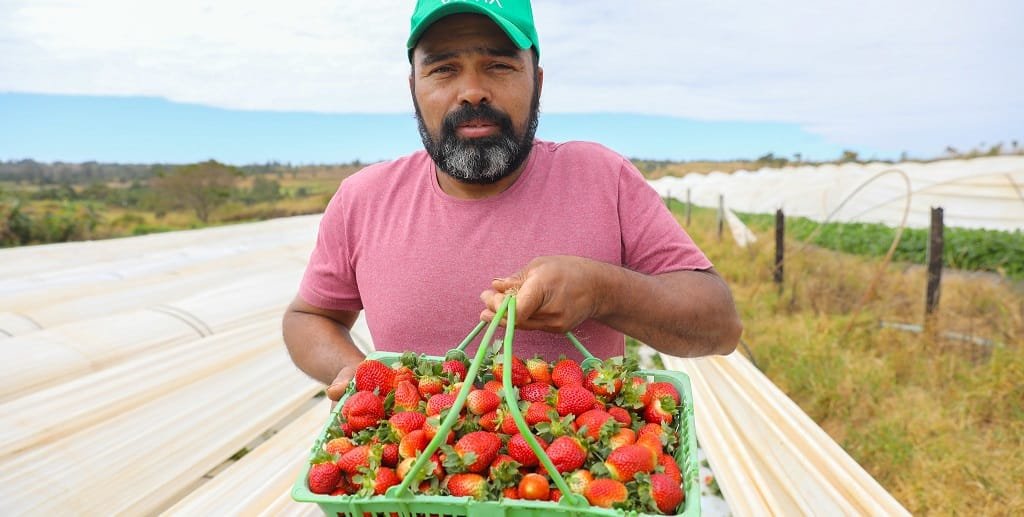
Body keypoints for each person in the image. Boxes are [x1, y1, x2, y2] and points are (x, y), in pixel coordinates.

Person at [282, 0, 742, 402]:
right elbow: (308, 317)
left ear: (536, 81)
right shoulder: (363, 199)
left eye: (499, 66)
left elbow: (720, 326)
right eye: (443, 69)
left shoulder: (604, 178)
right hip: (413, 482)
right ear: (413, 88)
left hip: (569, 486)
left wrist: (603, 291)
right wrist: (361, 374)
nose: (472, 91)